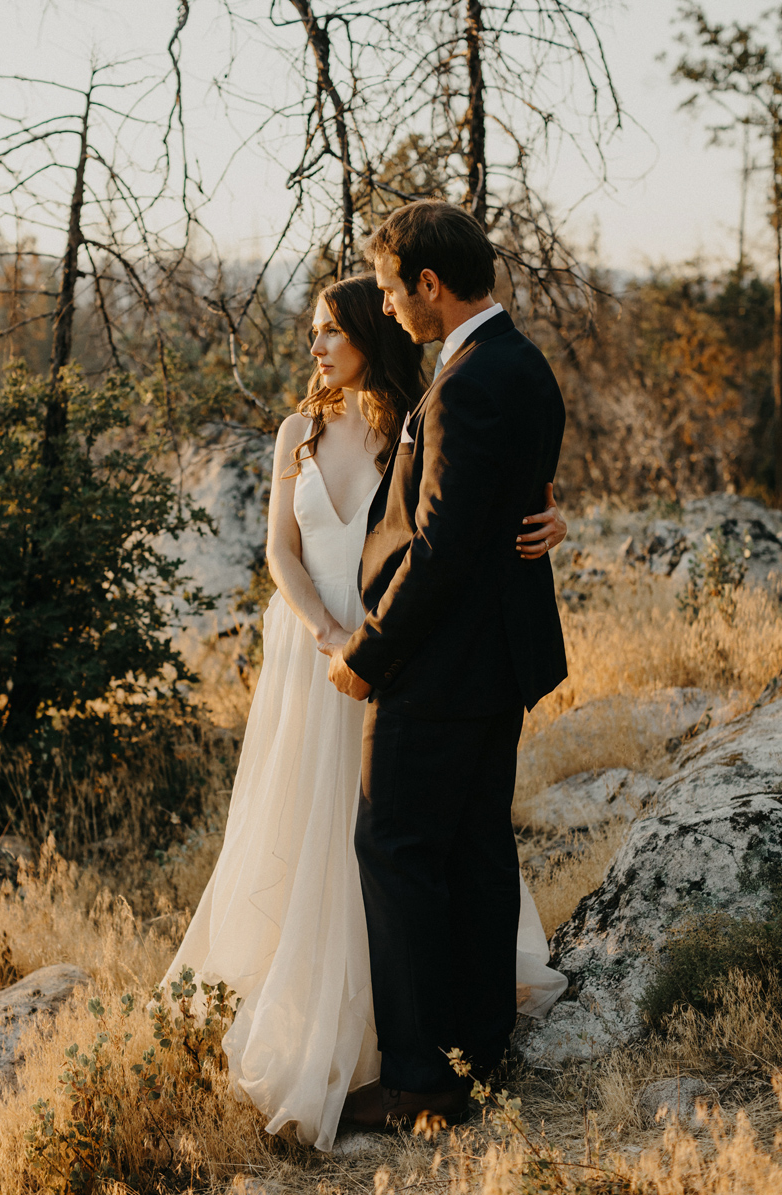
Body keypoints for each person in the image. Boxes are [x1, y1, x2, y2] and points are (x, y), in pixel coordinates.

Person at [162, 271, 567, 1152]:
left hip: (399, 651)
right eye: (313, 332)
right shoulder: (296, 431)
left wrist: (549, 518)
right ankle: (324, 1009)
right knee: (316, 824)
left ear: (367, 335)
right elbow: (280, 546)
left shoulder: (417, 417)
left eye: (328, 331)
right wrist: (324, 630)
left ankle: (407, 1039)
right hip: (316, 651)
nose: (314, 347)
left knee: (391, 838)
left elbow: (462, 516)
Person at [330, 201, 570, 1131]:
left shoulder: (469, 378)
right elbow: (517, 498)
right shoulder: (523, 362)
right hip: (495, 664)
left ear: (430, 285)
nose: (387, 308)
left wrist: (369, 652)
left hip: (437, 663)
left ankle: (421, 1078)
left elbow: (441, 543)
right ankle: (477, 1056)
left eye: (392, 290)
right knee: (471, 850)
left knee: (395, 851)